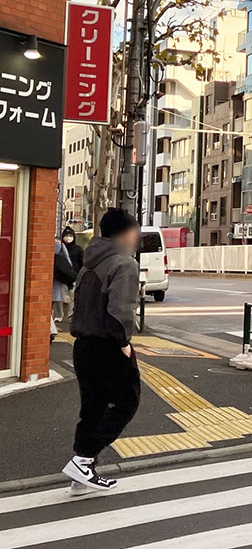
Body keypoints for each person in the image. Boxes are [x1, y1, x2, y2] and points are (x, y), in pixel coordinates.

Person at [64, 208, 143, 493]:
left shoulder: (90, 262)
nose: (138, 235)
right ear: (124, 233)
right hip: (108, 345)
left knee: (93, 408)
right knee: (126, 402)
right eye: (135, 229)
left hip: (83, 344)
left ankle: (81, 472)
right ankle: (83, 460)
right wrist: (124, 343)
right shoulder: (123, 264)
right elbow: (120, 311)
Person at [53, 236, 78, 324]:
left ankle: (60, 315)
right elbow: (67, 257)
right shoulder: (60, 245)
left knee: (60, 296)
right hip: (62, 274)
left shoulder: (59, 245)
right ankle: (60, 315)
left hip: (60, 274)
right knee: (59, 296)